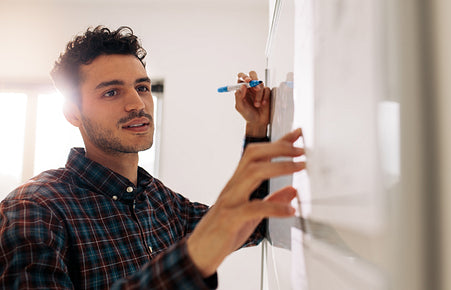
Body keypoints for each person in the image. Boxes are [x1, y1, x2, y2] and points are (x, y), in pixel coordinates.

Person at [0, 26, 305, 289]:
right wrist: (191, 259)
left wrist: (256, 125)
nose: (137, 104)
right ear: (72, 113)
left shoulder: (161, 202)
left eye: (142, 87)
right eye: (111, 93)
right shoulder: (33, 209)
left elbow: (254, 224)